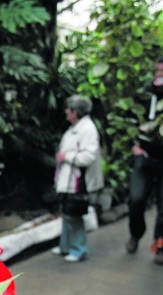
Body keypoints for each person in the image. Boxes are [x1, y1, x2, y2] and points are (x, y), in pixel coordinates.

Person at [125, 55, 163, 265]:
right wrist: (133, 145)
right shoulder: (145, 92)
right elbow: (129, 119)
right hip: (145, 156)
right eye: (157, 71)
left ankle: (161, 249)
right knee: (136, 199)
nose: (160, 75)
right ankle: (135, 233)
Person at [52, 94, 104, 262]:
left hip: (78, 181)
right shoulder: (75, 127)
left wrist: (66, 157)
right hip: (69, 180)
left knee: (74, 215)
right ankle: (66, 246)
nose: (66, 112)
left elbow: (88, 156)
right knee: (67, 212)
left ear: (76, 112)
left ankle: (79, 249)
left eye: (69, 109)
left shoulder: (87, 129)